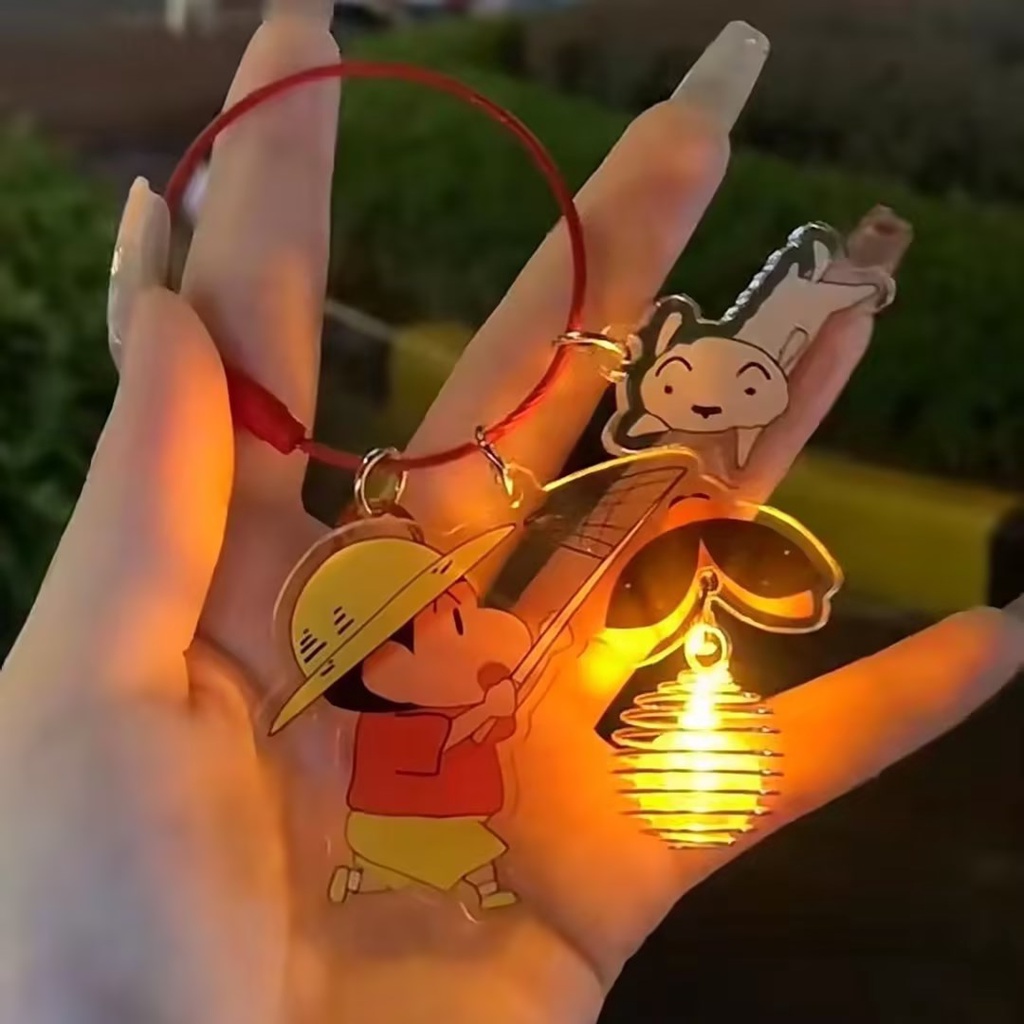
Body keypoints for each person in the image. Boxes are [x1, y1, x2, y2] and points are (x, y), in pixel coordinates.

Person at [3, 5, 1022, 1024]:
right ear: (377, 672)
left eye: (452, 610)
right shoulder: (387, 747)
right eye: (444, 623)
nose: (478, 626)